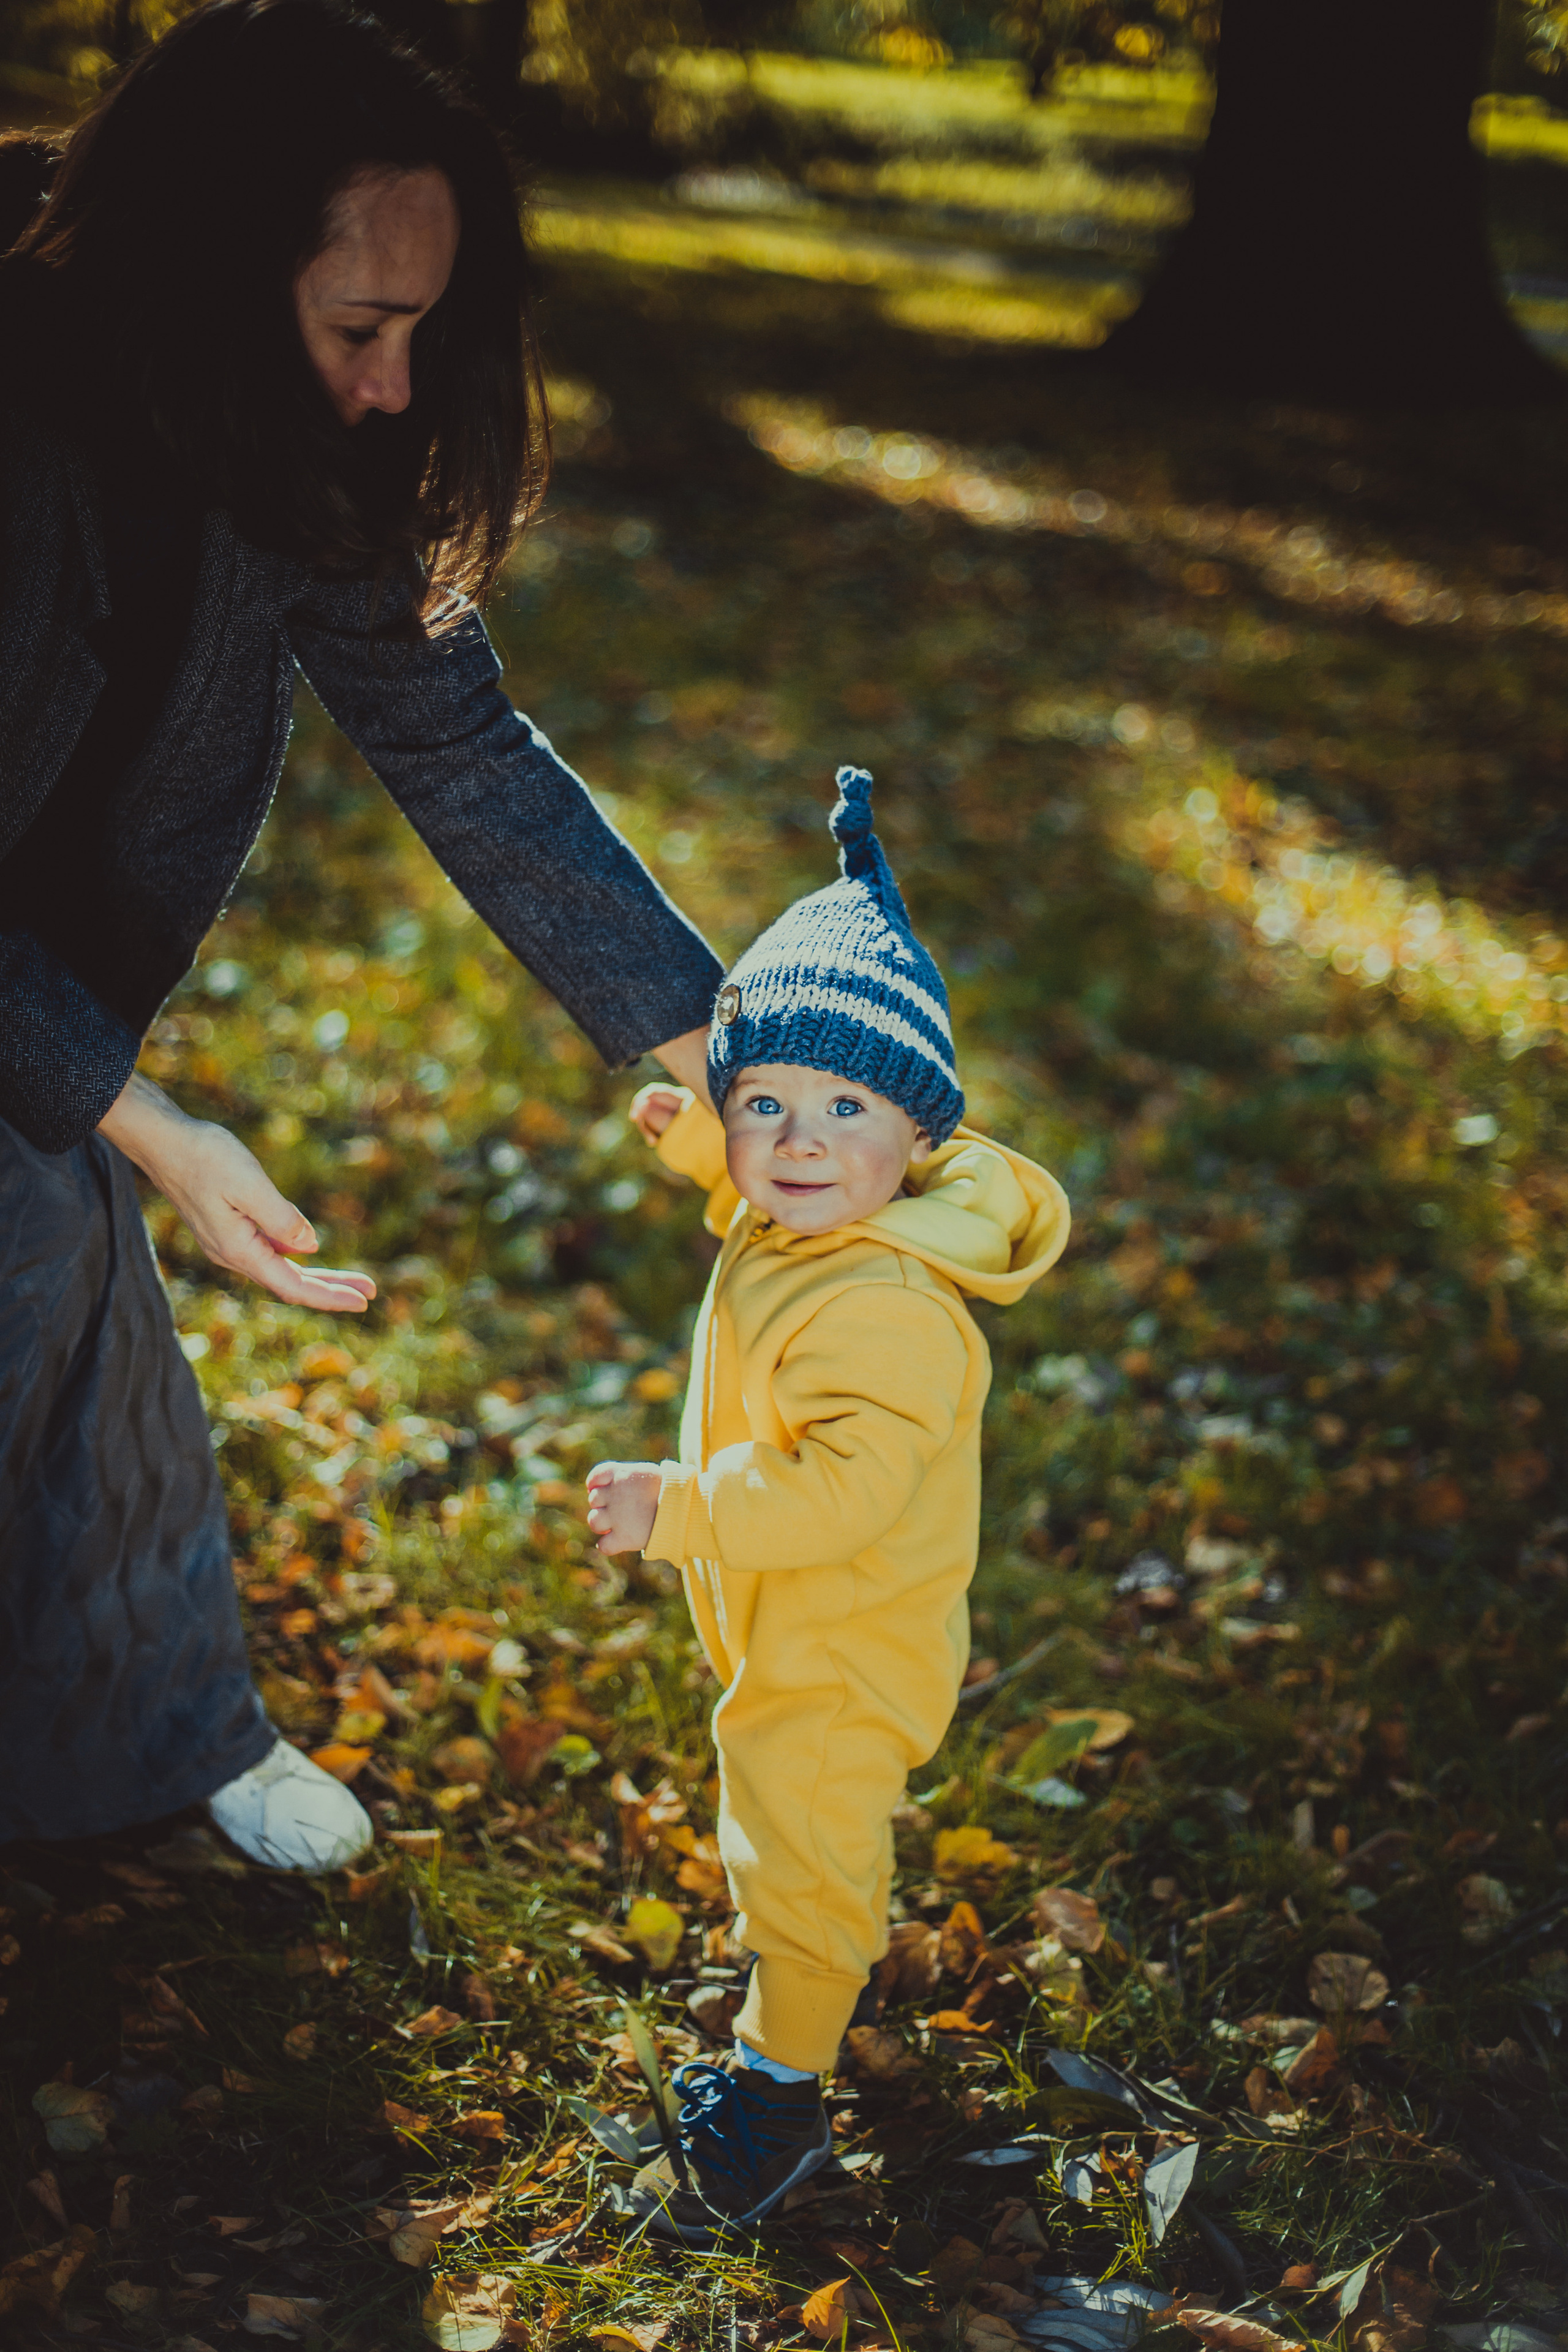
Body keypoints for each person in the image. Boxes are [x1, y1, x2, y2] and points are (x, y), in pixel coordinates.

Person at [0, 0, 721, 1869]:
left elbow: (458, 734)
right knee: (45, 1247)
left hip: (42, 993)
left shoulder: (275, 427)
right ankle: (142, 1739)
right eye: (363, 328)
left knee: (70, 1281)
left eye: (426, 331)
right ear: (202, 275)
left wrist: (716, 1041)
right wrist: (150, 1124)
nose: (399, 389)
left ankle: (155, 1743)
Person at [586, 768, 1070, 2244]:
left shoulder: (892, 1310)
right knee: (788, 1833)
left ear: (917, 1138)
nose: (792, 1140)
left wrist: (679, 1508)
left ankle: (778, 2106)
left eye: (840, 1106)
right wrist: (691, 1138)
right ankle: (799, 2026)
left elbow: (845, 1492)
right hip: (792, 1613)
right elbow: (753, 1197)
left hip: (841, 1637)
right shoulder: (817, 1205)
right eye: (762, 1104)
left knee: (796, 1857)